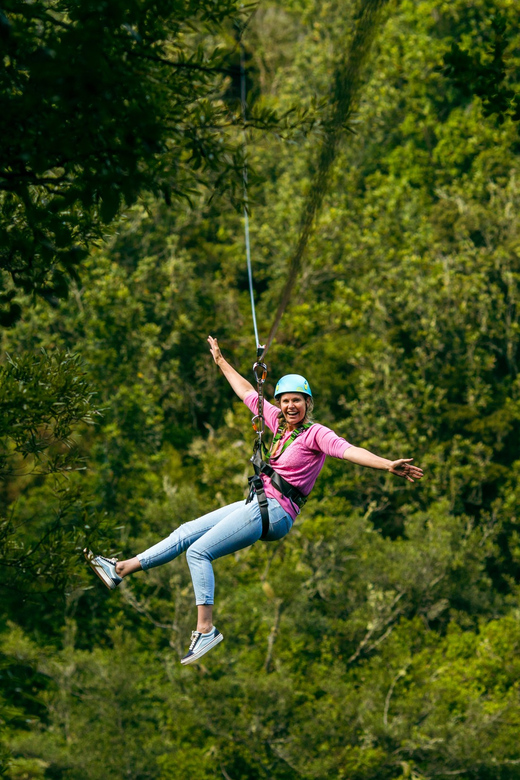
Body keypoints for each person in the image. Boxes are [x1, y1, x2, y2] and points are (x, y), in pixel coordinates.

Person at [85, 335, 423, 664]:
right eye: (285, 401)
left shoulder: (316, 434)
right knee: (187, 532)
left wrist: (386, 464)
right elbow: (247, 391)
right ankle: (120, 569)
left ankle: (206, 629)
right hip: (258, 502)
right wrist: (221, 362)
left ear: (307, 404)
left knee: (198, 552)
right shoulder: (275, 423)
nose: (290, 406)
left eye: (297, 401)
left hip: (276, 512)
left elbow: (348, 451)